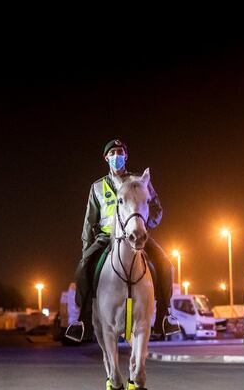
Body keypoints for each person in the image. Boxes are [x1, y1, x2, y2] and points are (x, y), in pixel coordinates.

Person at [66, 139, 173, 341]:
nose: (117, 156)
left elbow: (157, 208)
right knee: (82, 269)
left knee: (166, 265)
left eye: (120, 152)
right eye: (113, 153)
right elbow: (89, 222)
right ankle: (82, 319)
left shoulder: (139, 181)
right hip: (106, 236)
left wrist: (141, 226)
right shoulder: (97, 187)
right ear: (106, 158)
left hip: (135, 234)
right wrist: (86, 251)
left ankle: (165, 316)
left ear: (126, 156)